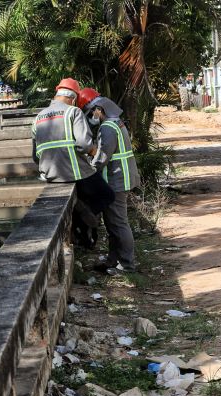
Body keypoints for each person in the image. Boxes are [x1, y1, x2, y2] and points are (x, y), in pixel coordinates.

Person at [31, 78, 114, 247]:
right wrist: (94, 152)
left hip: (50, 174)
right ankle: (82, 215)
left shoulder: (37, 118)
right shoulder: (73, 112)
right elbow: (84, 145)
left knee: (82, 198)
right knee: (107, 195)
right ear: (73, 98)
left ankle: (80, 226)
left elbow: (35, 156)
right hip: (75, 171)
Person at [76, 88, 141, 274]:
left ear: (99, 109)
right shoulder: (115, 123)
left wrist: (87, 169)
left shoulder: (107, 128)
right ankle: (113, 260)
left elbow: (102, 157)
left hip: (117, 180)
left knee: (119, 223)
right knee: (112, 223)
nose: (91, 117)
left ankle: (127, 265)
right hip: (121, 178)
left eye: (91, 113)